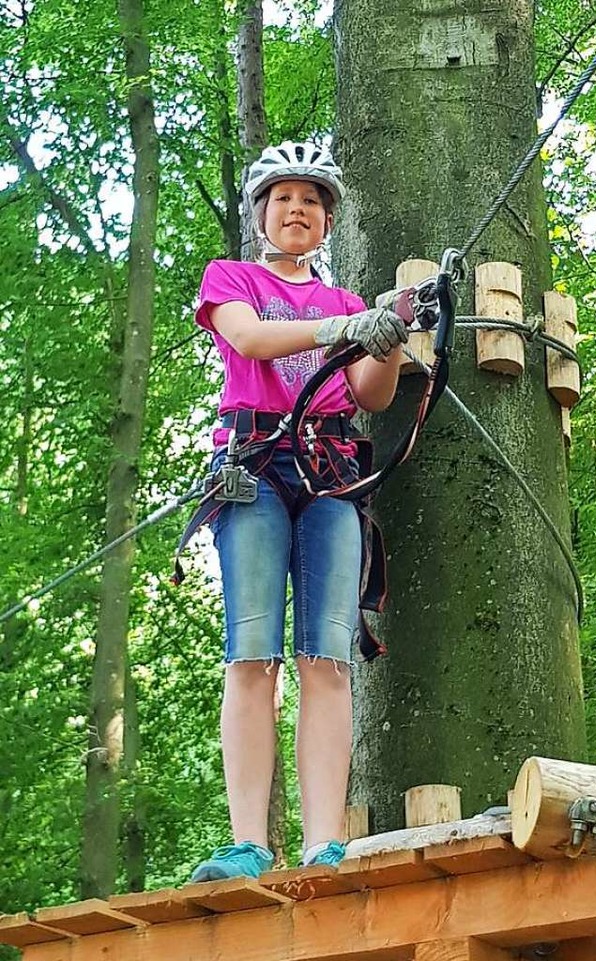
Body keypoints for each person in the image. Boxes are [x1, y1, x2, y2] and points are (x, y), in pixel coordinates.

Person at [189, 141, 407, 882]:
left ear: (328, 221)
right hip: (252, 467)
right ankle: (249, 840)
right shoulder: (235, 279)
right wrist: (344, 330)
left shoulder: (350, 303)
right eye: (283, 197)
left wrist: (391, 334)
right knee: (252, 652)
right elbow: (247, 337)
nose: (297, 209)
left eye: (312, 200)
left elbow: (372, 394)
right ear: (261, 214)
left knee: (329, 658)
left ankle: (323, 843)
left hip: (332, 474)